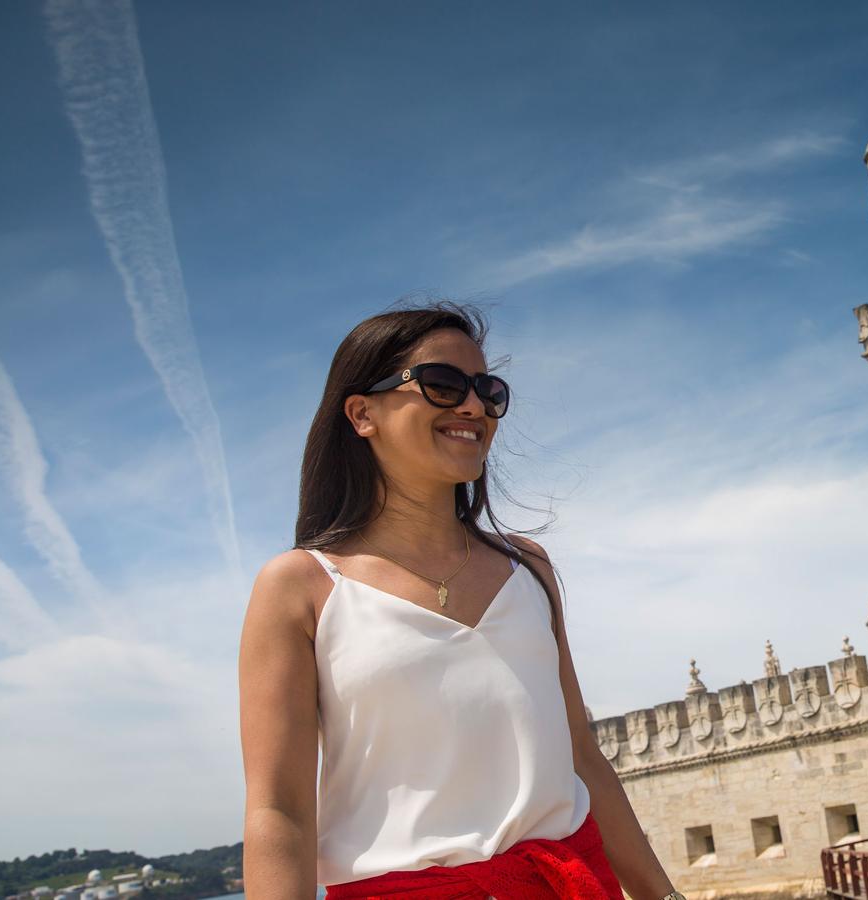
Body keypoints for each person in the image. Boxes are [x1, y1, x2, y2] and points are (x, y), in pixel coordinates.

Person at [239, 303, 684, 900]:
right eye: (443, 385)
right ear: (361, 413)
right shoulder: (301, 588)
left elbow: (582, 755)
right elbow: (280, 811)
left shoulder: (529, 569)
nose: (474, 407)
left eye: (488, 391)